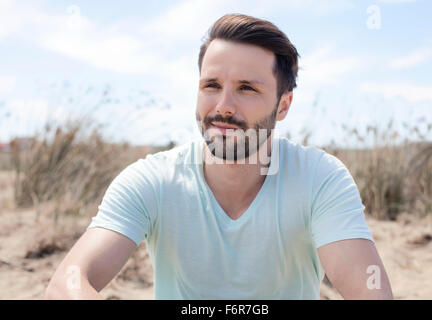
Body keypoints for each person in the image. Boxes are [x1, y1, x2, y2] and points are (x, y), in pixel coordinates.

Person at [45, 13, 393, 300]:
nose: (223, 107)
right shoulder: (152, 180)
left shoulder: (320, 179)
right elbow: (67, 284)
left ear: (283, 105)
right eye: (211, 85)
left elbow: (371, 294)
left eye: (247, 88)